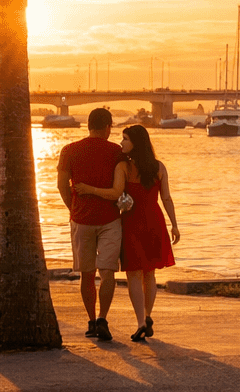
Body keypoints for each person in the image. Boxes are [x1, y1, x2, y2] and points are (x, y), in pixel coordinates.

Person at [76, 125, 179, 342]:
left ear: (135, 143)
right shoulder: (159, 167)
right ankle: (148, 317)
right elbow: (166, 198)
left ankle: (141, 321)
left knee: (134, 273)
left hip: (132, 223)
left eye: (125, 139)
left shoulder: (124, 167)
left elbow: (115, 192)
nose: (121, 143)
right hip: (155, 221)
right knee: (150, 273)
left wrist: (88, 189)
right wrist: (174, 224)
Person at [56, 107, 125, 340]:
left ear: (88, 125)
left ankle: (91, 321)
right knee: (108, 273)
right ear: (107, 127)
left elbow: (61, 185)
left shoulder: (69, 150)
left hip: (81, 220)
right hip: (110, 220)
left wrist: (72, 207)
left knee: (86, 274)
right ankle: (104, 319)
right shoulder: (117, 152)